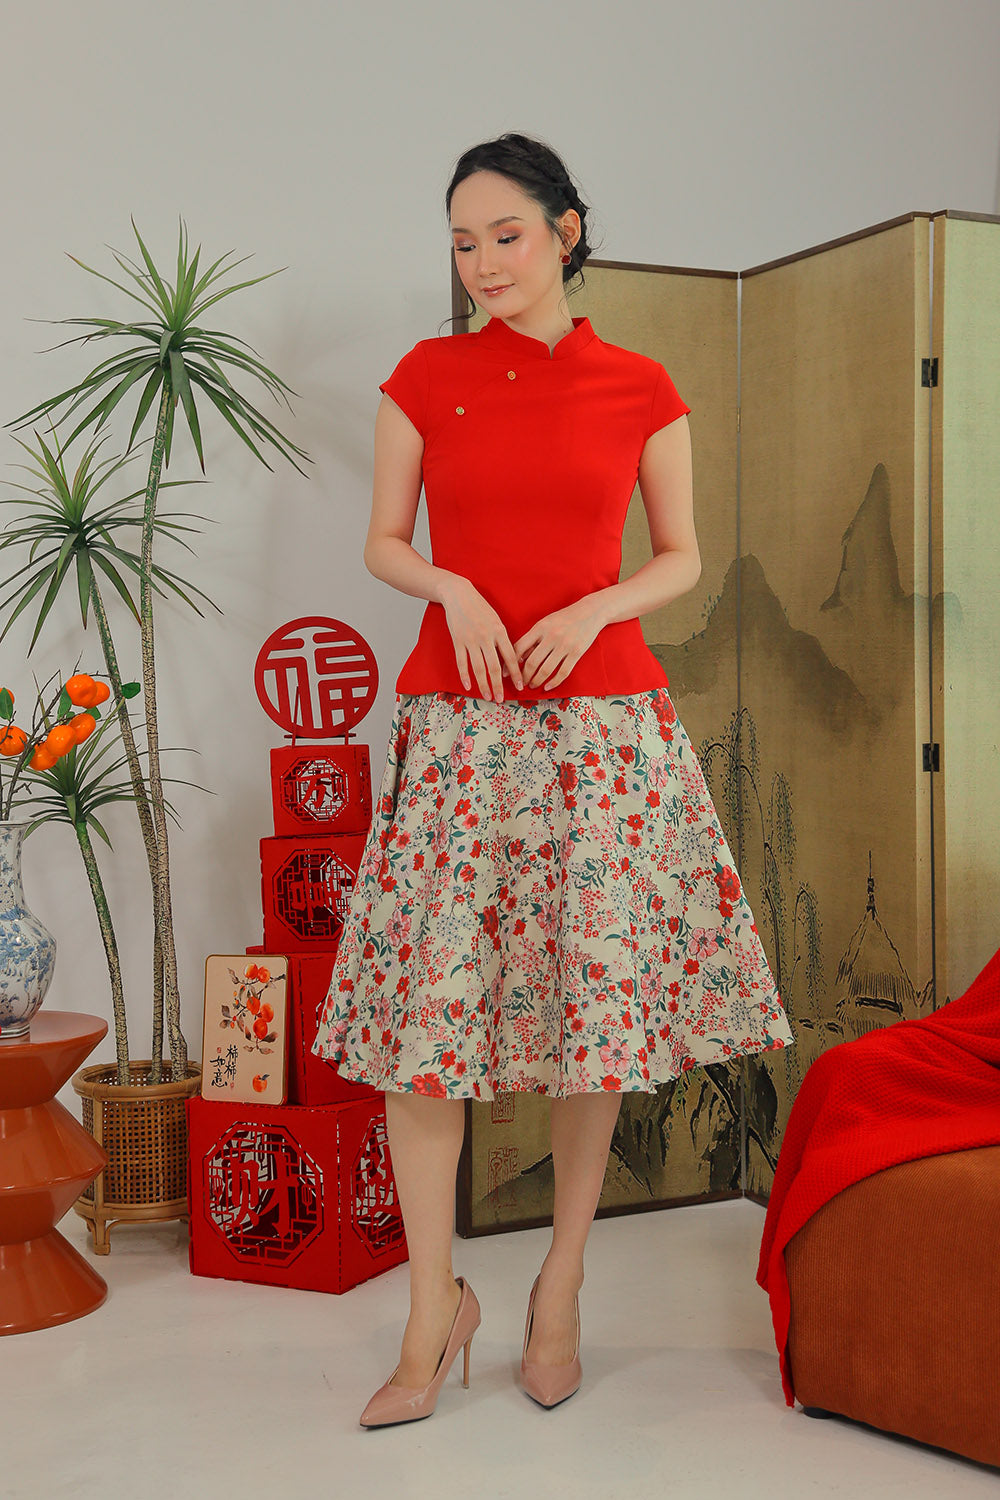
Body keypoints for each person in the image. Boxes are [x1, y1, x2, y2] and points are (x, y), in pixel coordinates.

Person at [312, 131, 795, 1428]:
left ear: (567, 232)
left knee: (594, 1013)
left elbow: (681, 554)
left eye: (506, 235)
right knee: (428, 1034)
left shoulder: (641, 383)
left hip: (601, 730)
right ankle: (434, 1309)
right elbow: (384, 540)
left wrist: (596, 608)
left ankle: (560, 1286)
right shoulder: (426, 376)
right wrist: (451, 585)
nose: (482, 263)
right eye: (462, 243)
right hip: (461, 727)